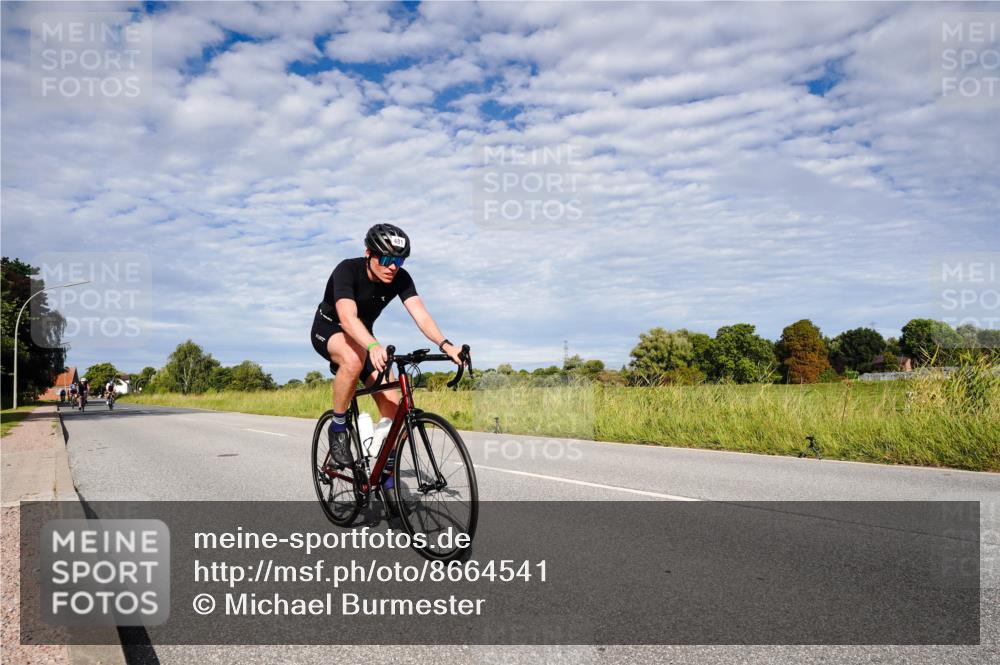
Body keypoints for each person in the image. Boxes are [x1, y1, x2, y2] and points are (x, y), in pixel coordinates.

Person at [310, 224, 465, 482]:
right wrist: (372, 346)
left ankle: (385, 474)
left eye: (399, 261)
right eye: (386, 259)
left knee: (394, 404)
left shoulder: (400, 278)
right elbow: (347, 319)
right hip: (330, 328)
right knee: (353, 358)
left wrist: (446, 345)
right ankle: (338, 428)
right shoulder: (347, 270)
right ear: (368, 253)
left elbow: (421, 315)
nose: (393, 267)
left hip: (364, 336)